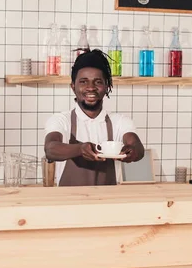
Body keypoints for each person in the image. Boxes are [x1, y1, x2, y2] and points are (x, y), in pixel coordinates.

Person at [44, 49, 145, 186]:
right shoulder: (61, 120)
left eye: (97, 82)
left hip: (108, 202)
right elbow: (50, 149)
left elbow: (137, 148)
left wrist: (132, 152)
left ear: (107, 86)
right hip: (68, 202)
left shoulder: (120, 121)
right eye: (83, 82)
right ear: (73, 87)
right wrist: (80, 149)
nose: (90, 88)